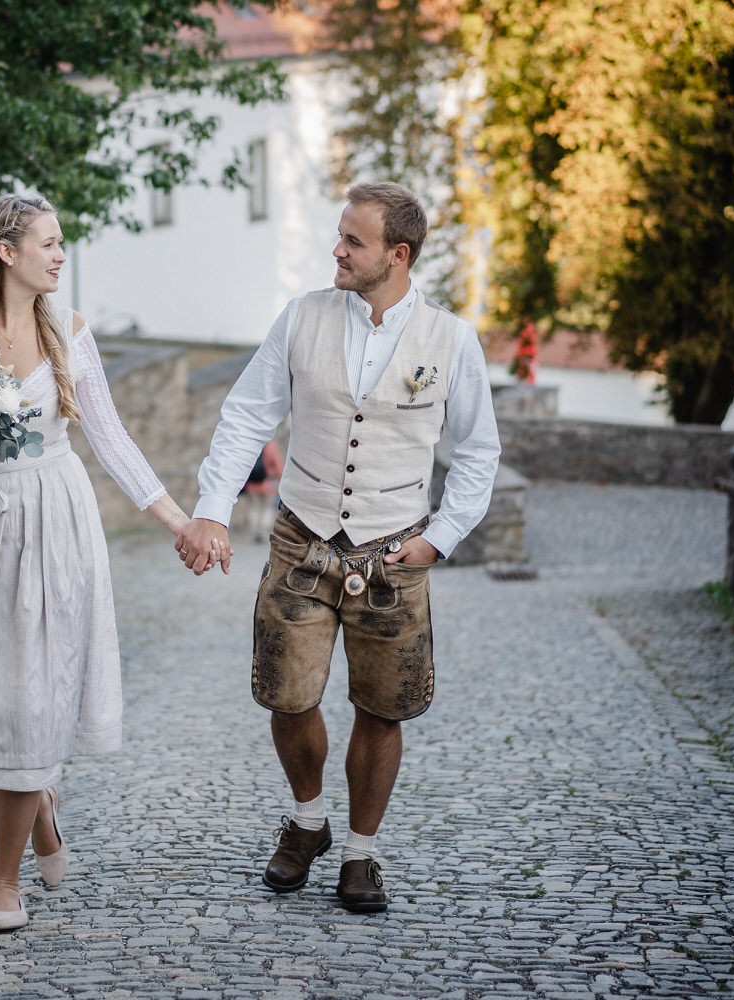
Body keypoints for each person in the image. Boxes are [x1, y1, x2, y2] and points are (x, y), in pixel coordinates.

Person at [175, 182, 500, 913]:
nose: (338, 250)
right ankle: (308, 819)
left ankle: (361, 852)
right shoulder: (302, 318)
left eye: (353, 240)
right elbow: (242, 420)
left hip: (396, 553)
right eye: (340, 235)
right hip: (302, 541)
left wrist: (439, 540)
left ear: (398, 254)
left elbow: (478, 452)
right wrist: (212, 513)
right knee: (286, 696)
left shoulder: (451, 339)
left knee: (383, 710)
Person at [0, 193, 201, 932]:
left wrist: (179, 521)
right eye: (51, 244)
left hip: (53, 521)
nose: (62, 256)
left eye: (62, 244)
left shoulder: (71, 331)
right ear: (7, 252)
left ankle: (4, 885)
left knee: (22, 698)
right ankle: (42, 813)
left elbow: (114, 442)